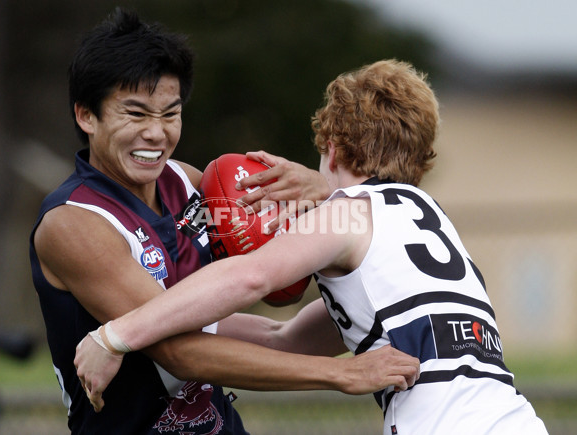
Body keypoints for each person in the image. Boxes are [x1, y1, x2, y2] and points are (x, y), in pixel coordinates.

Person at [74, 59, 549, 434]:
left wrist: (114, 336)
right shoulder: (432, 223)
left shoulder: (345, 213)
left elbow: (250, 276)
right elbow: (289, 339)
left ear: (333, 150)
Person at [29, 8, 420, 434]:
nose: (157, 134)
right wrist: (342, 374)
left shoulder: (192, 184)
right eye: (136, 114)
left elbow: (280, 319)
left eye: (170, 113)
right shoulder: (74, 223)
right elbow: (177, 350)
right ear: (87, 115)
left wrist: (322, 197)